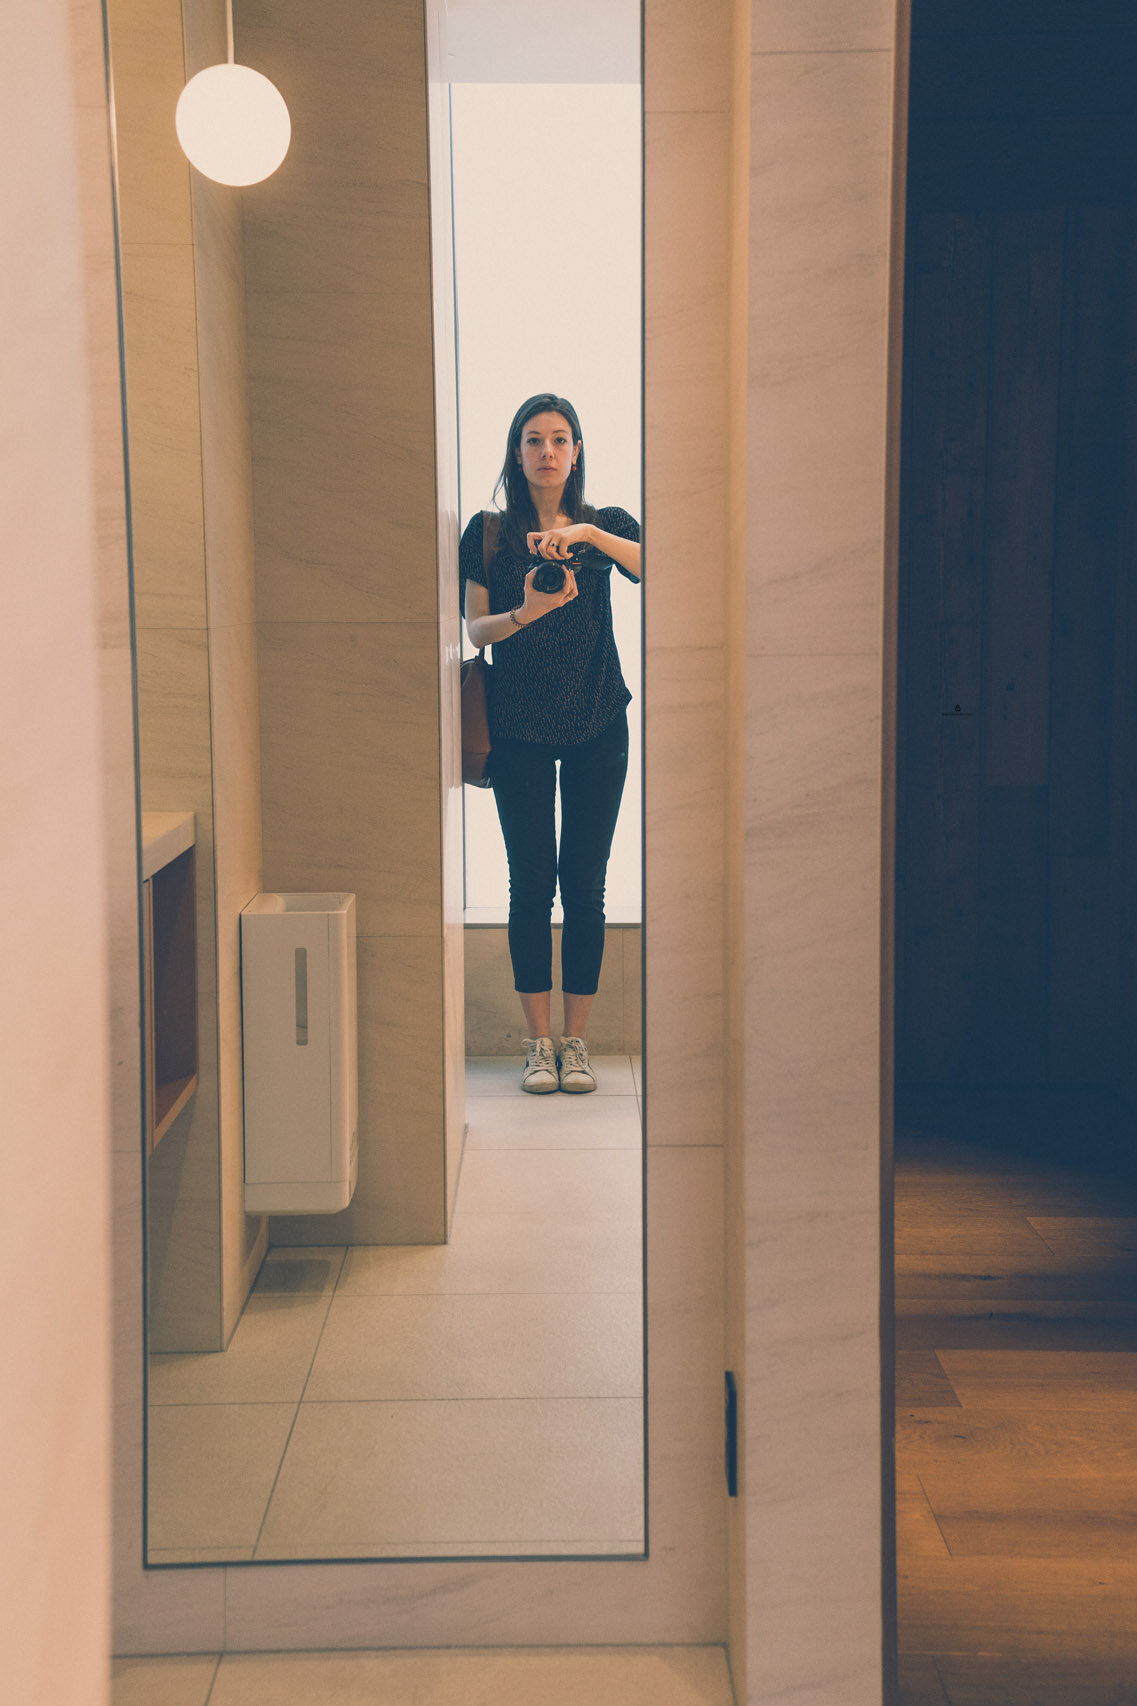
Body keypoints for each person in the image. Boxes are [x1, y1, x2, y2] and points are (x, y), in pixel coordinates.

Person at [461, 392, 641, 1094]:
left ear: (575, 452)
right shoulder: (486, 533)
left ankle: (577, 1043)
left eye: (559, 439)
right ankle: (538, 1045)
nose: (546, 451)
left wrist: (588, 539)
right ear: (515, 452)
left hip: (599, 720)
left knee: (585, 887)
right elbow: (474, 631)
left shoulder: (605, 527)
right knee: (530, 885)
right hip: (519, 729)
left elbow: (658, 564)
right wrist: (525, 612)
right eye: (532, 439)